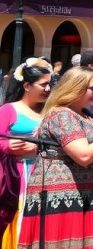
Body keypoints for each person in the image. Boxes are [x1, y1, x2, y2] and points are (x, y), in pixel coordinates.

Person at [17, 66, 93, 249]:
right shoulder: (62, 114)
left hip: (87, 195)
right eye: (92, 88)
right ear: (76, 87)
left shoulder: (85, 115)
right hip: (64, 198)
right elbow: (84, 155)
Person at [0, 59, 51, 248]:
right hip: (17, 177)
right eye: (43, 84)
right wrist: (6, 146)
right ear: (27, 86)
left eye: (49, 84)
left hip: (44, 175)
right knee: (19, 219)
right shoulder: (8, 110)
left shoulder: (49, 112)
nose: (47, 89)